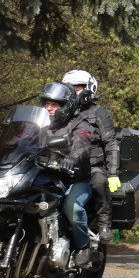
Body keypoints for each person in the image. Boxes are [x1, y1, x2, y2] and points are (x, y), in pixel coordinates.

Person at [39, 81, 97, 266]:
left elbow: (82, 142)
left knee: (72, 206)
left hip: (76, 178)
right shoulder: (41, 124)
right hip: (48, 177)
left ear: (66, 106)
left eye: (54, 104)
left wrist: (72, 156)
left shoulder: (80, 122)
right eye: (46, 103)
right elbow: (21, 139)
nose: (49, 108)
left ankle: (83, 247)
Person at [62, 69, 120, 244]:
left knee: (99, 182)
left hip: (93, 165)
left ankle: (103, 225)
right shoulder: (61, 112)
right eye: (69, 88)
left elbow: (110, 143)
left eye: (77, 88)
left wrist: (113, 173)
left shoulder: (99, 112)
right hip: (64, 164)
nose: (73, 92)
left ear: (89, 89)